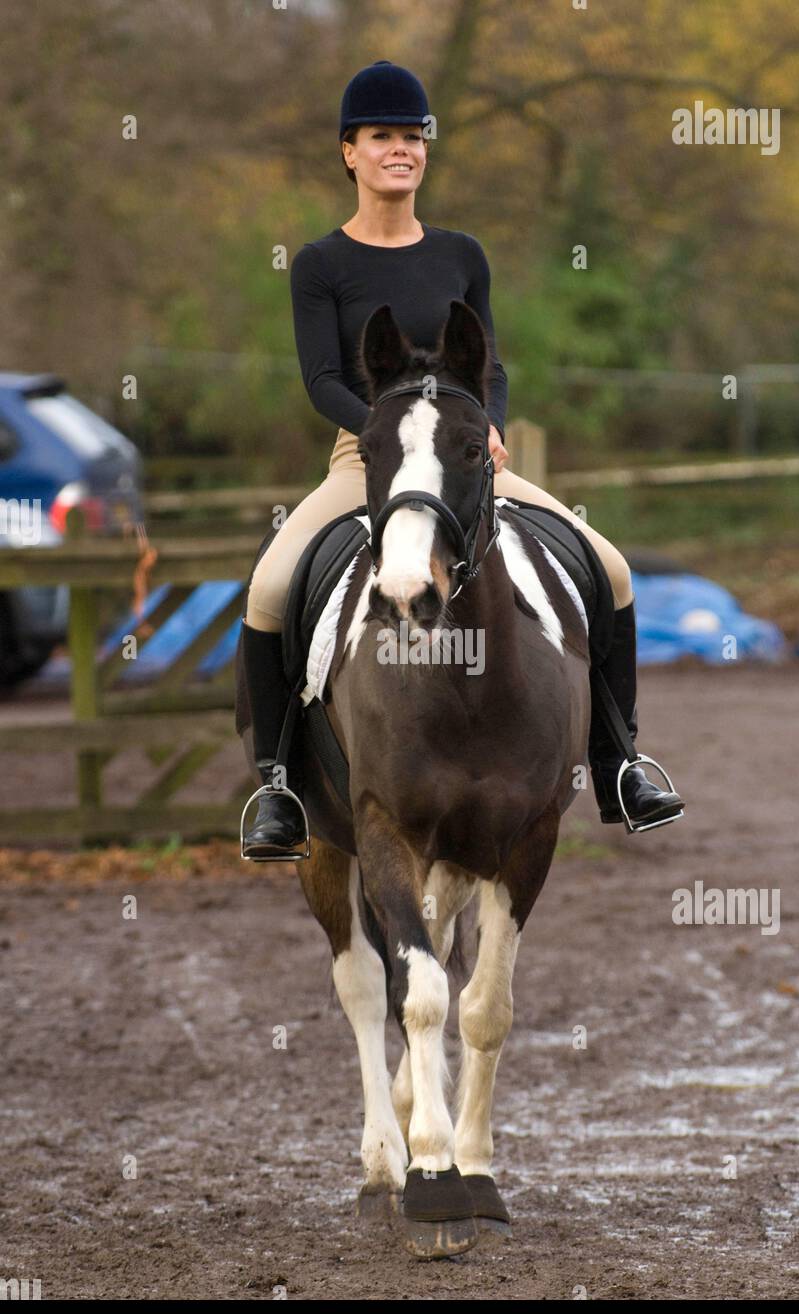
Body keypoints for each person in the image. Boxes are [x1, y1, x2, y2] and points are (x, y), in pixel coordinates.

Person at [241, 60, 683, 859]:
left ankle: (619, 763)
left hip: (465, 455)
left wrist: (489, 428)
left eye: (413, 137)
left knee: (611, 569)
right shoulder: (320, 264)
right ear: (350, 152)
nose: (400, 150)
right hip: (366, 459)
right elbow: (322, 381)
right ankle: (276, 788)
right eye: (382, 137)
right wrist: (388, 436)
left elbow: (491, 367)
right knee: (270, 586)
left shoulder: (461, 252)